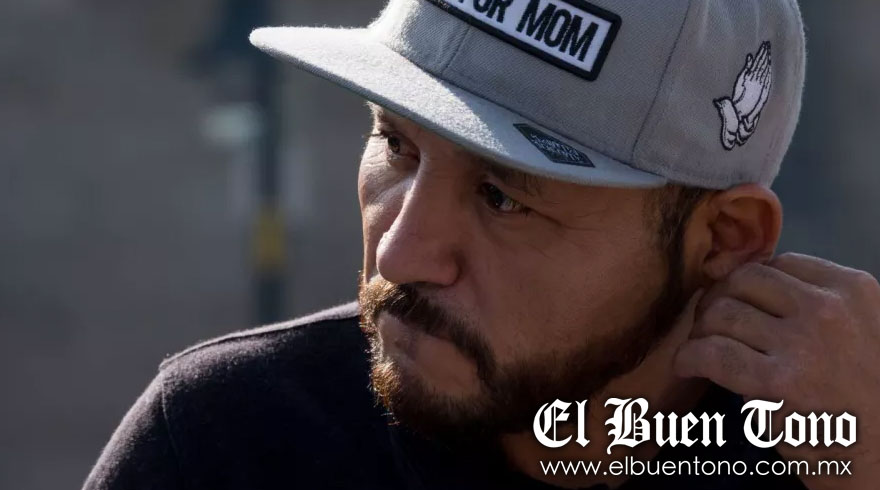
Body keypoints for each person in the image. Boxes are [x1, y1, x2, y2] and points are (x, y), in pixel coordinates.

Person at [83, 0, 880, 489]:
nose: (399, 256)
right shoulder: (230, 444)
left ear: (725, 239)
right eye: (397, 145)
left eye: (504, 197)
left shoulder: (834, 457)